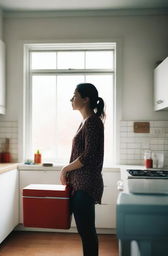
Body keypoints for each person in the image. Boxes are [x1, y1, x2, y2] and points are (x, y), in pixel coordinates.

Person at [60, 83, 105, 256]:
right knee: (85, 231)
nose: (71, 99)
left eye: (75, 95)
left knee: (86, 231)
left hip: (86, 185)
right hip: (81, 184)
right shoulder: (86, 121)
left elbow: (88, 156)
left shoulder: (93, 122)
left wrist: (65, 169)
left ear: (85, 99)